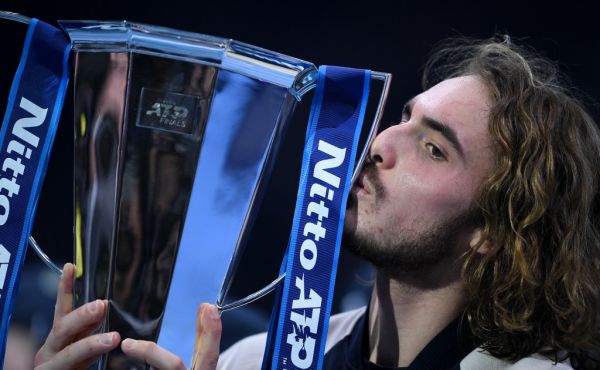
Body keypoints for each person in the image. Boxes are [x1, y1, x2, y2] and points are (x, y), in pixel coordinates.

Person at [33, 35, 600, 370]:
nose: (378, 146)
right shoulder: (251, 360)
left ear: (495, 228)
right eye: (402, 117)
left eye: (433, 148)